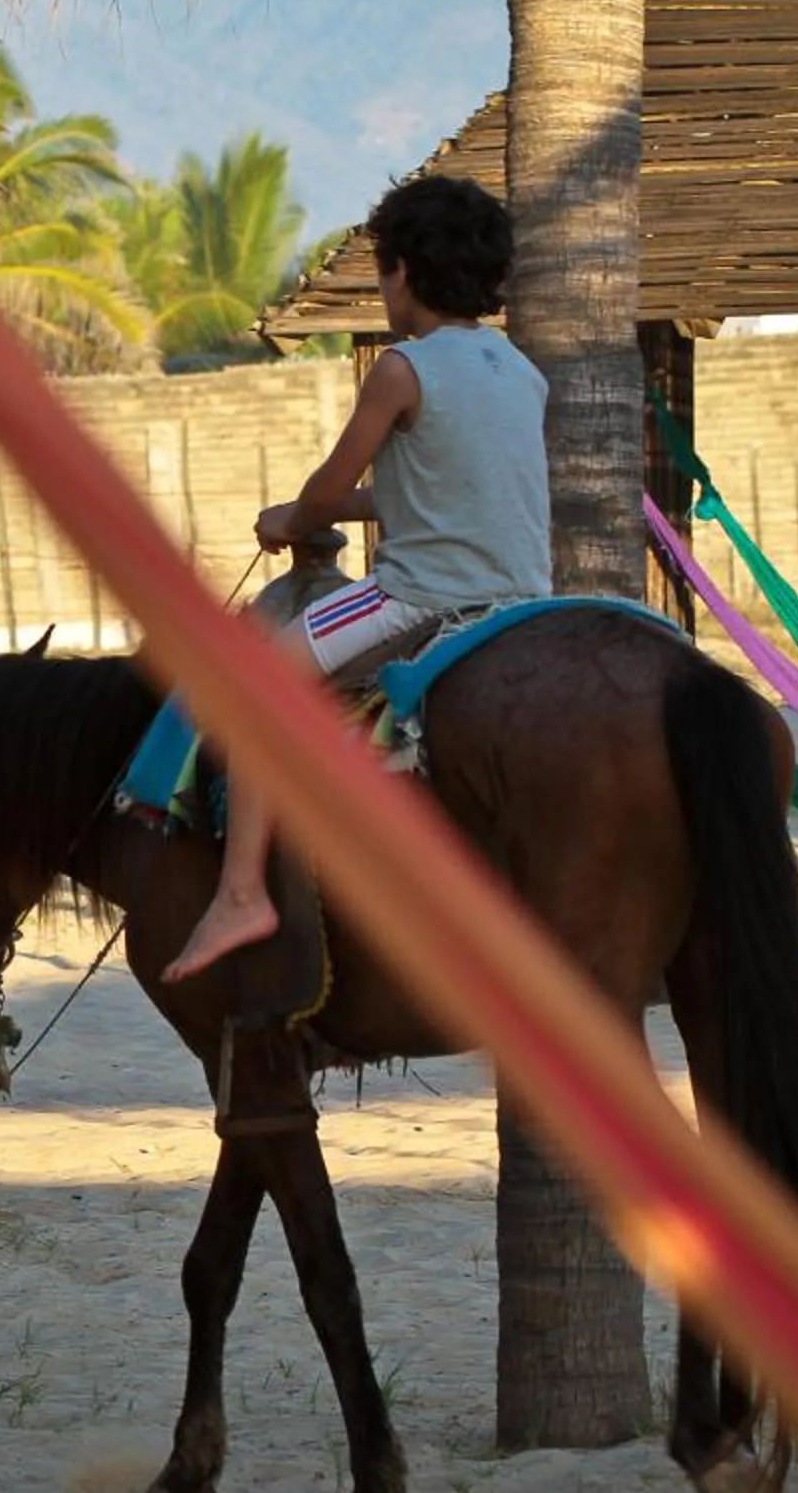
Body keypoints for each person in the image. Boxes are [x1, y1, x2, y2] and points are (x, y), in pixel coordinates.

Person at [163, 174, 552, 983]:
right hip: (525, 600)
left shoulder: (402, 371)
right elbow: (450, 491)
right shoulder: (517, 369)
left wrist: (288, 523)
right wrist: (337, 507)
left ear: (402, 272)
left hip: (424, 598)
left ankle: (240, 895)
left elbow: (329, 492)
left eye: (383, 271)